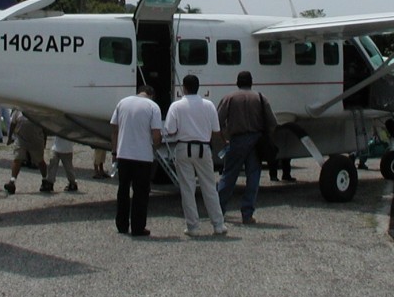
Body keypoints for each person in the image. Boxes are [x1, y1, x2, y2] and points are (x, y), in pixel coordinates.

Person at [165, 74, 227, 237]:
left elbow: (170, 130)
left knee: (187, 188)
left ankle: (192, 226)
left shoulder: (176, 106)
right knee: (209, 187)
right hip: (203, 148)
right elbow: (216, 130)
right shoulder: (209, 105)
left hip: (183, 147)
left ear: (184, 88)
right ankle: (218, 224)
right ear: (198, 87)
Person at [217, 71, 277, 225]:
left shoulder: (229, 98)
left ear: (237, 82)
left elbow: (218, 120)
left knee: (228, 176)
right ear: (251, 82)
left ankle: (218, 211)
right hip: (256, 140)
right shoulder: (260, 98)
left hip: (236, 140)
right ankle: (247, 214)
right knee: (253, 177)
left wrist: (224, 138)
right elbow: (272, 122)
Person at [109, 85, 163, 237]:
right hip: (142, 156)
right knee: (140, 193)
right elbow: (156, 133)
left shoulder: (122, 102)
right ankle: (138, 227)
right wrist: (157, 145)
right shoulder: (153, 107)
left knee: (123, 190)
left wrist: (114, 151)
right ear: (151, 95)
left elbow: (114, 128)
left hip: (123, 154)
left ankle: (121, 224)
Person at [4, 109, 49, 193]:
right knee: (17, 159)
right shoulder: (18, 111)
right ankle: (12, 181)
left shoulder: (38, 112)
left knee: (40, 161)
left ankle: (45, 180)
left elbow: (44, 128)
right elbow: (13, 124)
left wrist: (44, 141)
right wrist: (10, 137)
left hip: (36, 140)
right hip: (21, 140)